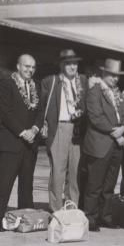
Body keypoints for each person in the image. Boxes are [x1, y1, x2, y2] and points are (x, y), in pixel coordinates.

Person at [0, 54, 41, 232]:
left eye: (33, 67)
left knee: (27, 184)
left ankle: (25, 217)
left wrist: (34, 129)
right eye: (26, 66)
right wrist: (22, 132)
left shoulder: (37, 86)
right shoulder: (6, 84)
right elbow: (6, 112)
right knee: (5, 182)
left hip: (31, 143)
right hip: (12, 142)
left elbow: (40, 112)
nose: (30, 70)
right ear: (18, 66)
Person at [82, 59, 124, 232]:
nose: (115, 79)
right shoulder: (95, 90)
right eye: (112, 75)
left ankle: (105, 216)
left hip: (116, 146)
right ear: (103, 73)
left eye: (117, 76)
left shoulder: (118, 92)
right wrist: (115, 132)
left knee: (109, 185)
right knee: (94, 185)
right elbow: (95, 116)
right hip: (100, 144)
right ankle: (90, 217)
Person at [36, 49, 87, 213]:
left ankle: (73, 207)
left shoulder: (83, 81)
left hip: (77, 130)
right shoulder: (51, 81)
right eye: (68, 63)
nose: (73, 67)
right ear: (61, 65)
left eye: (75, 63)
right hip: (59, 127)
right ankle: (56, 209)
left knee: (75, 172)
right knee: (58, 172)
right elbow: (41, 106)